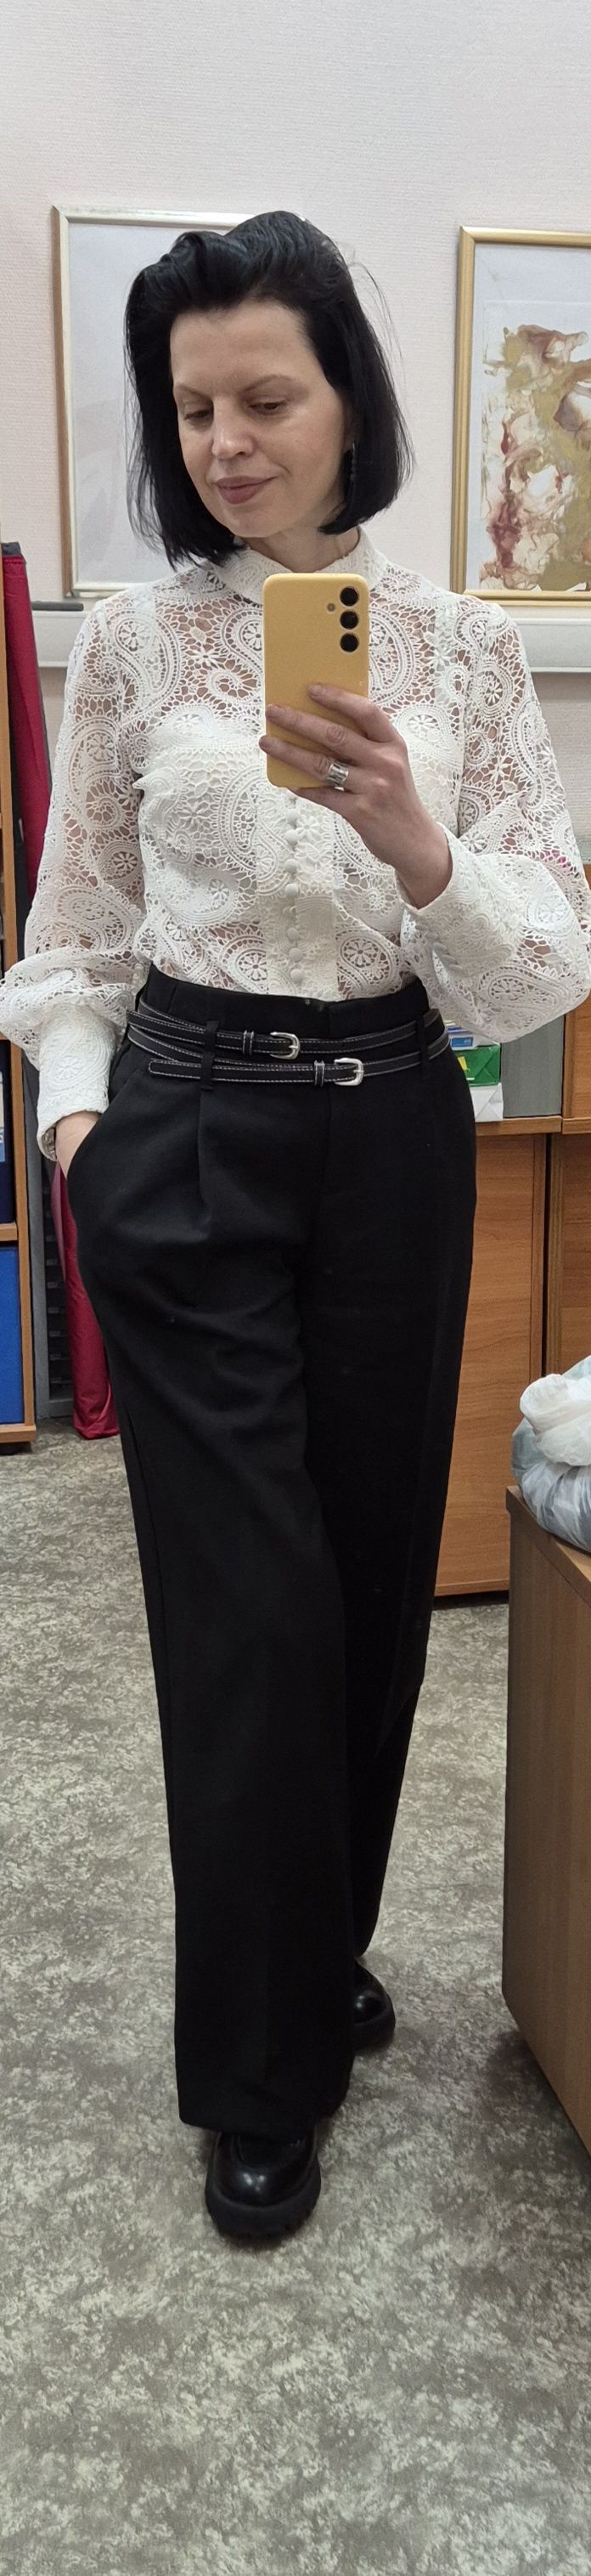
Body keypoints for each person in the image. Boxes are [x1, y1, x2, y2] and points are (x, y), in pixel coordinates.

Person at [2, 211, 591, 2251]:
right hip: (180, 1133)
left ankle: (312, 1947)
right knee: (247, 1614)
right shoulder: (134, 643)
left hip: (391, 1135)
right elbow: (73, 923)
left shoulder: (462, 652)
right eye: (193, 409)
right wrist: (81, 1122)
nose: (227, 441)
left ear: (353, 401)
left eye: (266, 396)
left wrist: (412, 831)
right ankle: (259, 2075)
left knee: (362, 1587)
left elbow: (537, 970)